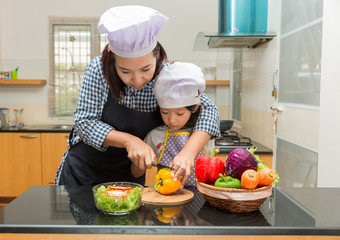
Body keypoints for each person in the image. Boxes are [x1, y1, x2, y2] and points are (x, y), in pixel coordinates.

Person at [55, 5, 220, 187]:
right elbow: (84, 122)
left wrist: (189, 152)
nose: (137, 80)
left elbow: (208, 109)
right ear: (113, 62)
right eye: (125, 71)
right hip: (83, 173)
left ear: (157, 57)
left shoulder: (166, 75)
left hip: (130, 177)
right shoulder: (98, 70)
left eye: (145, 69)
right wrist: (129, 140)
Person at [131, 62, 215, 188]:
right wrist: (139, 163)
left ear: (194, 108)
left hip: (204, 198)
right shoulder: (154, 136)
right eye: (165, 112)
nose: (172, 120)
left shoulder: (203, 136)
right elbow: (135, 173)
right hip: (165, 198)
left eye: (180, 113)